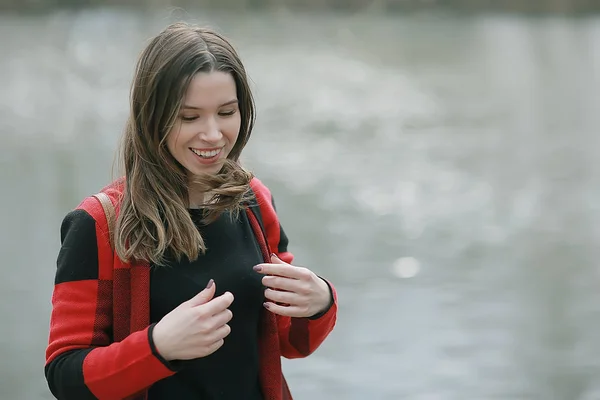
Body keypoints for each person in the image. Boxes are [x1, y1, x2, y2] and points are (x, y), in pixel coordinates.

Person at [44, 22, 337, 400]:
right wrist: (158, 346)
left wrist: (320, 303)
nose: (213, 134)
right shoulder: (99, 224)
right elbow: (65, 377)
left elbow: (289, 343)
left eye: (227, 112)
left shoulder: (254, 200)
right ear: (152, 118)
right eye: (189, 117)